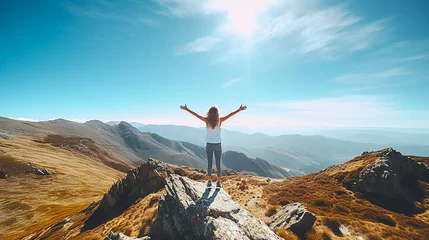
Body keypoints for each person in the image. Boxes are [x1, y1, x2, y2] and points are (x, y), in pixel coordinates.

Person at [180, 104, 247, 188]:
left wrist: (187, 109)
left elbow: (196, 115)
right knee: (218, 164)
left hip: (209, 145)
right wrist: (239, 109)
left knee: (209, 164)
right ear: (217, 113)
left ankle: (209, 182)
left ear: (209, 113)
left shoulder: (206, 120)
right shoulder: (220, 120)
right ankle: (218, 182)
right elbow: (230, 115)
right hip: (217, 145)